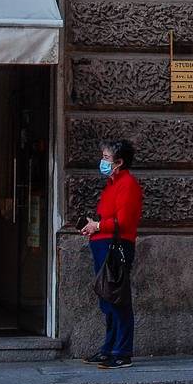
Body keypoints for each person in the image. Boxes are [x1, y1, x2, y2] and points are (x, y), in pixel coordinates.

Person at [80, 139, 142, 368]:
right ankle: (108, 347)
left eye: (106, 158)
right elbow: (108, 218)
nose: (103, 161)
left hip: (116, 247)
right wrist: (92, 226)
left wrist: (98, 226)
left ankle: (122, 351)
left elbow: (123, 222)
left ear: (119, 162)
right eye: (103, 157)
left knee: (117, 297)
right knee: (107, 298)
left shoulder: (128, 185)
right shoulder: (112, 184)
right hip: (103, 245)